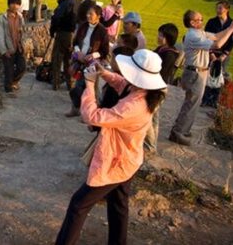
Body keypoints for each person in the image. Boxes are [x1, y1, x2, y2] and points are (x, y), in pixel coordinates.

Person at [55, 49, 167, 245]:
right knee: (118, 206)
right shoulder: (145, 93)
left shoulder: (133, 107)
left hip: (116, 162)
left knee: (78, 205)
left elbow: (92, 116)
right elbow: (122, 84)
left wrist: (89, 85)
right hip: (128, 160)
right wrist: (103, 73)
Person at [169, 10, 233, 146]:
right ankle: (178, 132)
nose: (202, 21)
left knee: (193, 104)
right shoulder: (193, 36)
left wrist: (229, 29)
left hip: (199, 72)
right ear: (192, 22)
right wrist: (231, 29)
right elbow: (217, 45)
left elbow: (217, 36)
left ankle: (183, 129)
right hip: (195, 73)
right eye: (199, 19)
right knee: (191, 104)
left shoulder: (199, 33)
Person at [66, 4, 110, 117]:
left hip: (92, 64)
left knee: (87, 89)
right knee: (78, 86)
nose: (88, 15)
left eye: (91, 14)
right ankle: (76, 109)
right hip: (80, 60)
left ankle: (88, 113)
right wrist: (78, 52)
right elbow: (75, 42)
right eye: (87, 13)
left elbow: (104, 51)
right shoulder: (83, 26)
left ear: (98, 16)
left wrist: (92, 55)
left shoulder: (102, 31)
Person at [144, 23, 180, 152]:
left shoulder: (169, 54)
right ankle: (149, 144)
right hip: (153, 87)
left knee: (150, 118)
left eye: (160, 35)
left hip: (158, 88)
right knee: (152, 117)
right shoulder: (161, 49)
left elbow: (161, 73)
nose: (158, 37)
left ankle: (150, 146)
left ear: (167, 37)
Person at [202, 0, 233, 107]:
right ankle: (205, 99)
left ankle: (215, 100)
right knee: (208, 75)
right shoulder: (211, 22)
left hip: (224, 55)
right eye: (217, 8)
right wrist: (211, 54)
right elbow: (207, 38)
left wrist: (224, 55)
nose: (218, 10)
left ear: (227, 10)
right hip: (211, 53)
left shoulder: (232, 24)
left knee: (220, 77)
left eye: (220, 8)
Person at [50, 0, 77, 91]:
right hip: (74, 34)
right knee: (69, 60)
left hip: (63, 33)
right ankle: (70, 84)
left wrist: (52, 30)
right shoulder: (77, 2)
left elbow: (57, 17)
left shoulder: (65, 3)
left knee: (57, 58)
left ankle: (55, 83)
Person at [0, 0, 26, 93]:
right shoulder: (2, 18)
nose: (15, 6)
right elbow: (0, 36)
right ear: (9, 5)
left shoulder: (20, 17)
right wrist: (4, 51)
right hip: (8, 48)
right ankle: (8, 89)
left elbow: (23, 32)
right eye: (12, 3)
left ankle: (13, 82)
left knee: (22, 67)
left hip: (18, 47)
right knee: (8, 71)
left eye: (17, 4)